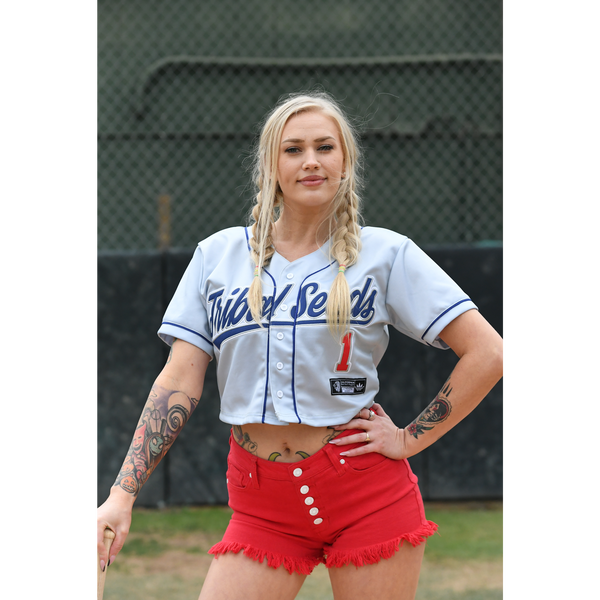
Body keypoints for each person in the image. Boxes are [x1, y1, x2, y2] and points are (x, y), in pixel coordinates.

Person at [94, 91, 506, 600]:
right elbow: (178, 381)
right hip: (261, 502)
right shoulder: (217, 256)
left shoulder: (385, 253)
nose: (310, 161)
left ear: (345, 162)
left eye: (324, 147)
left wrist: (408, 439)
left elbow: (489, 352)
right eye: (292, 150)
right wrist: (122, 494)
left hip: (365, 492)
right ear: (270, 166)